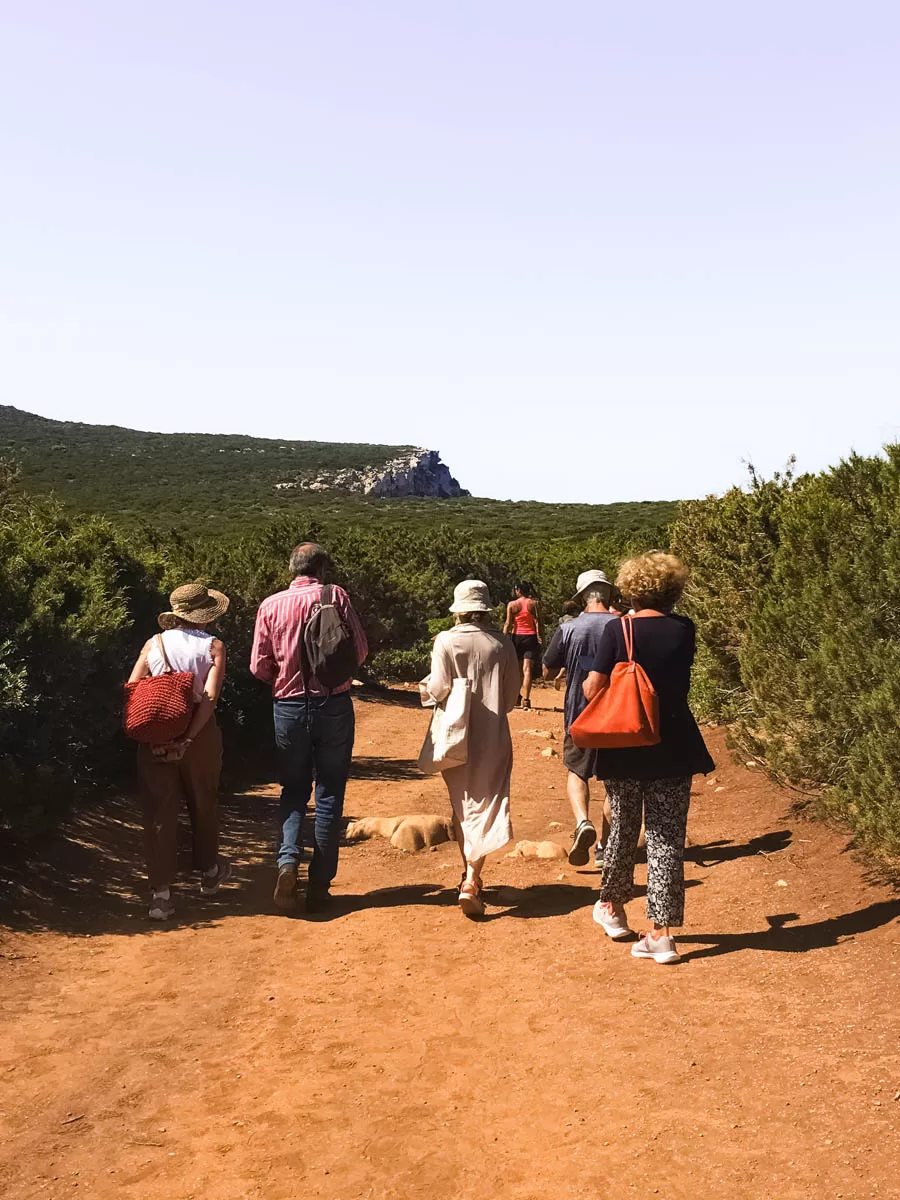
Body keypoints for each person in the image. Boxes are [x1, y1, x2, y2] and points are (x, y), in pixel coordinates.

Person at [583, 552, 714, 964]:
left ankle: (611, 907)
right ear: (673, 588)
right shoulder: (684, 629)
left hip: (625, 746)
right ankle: (661, 933)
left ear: (631, 587)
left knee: (622, 830)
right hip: (675, 745)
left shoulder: (616, 630)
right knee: (666, 839)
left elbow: (593, 689)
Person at [250, 542, 368, 914]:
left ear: (292, 569)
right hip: (333, 703)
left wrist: (283, 679)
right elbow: (359, 650)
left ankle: (287, 863)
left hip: (287, 707)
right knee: (330, 791)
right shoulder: (335, 596)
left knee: (293, 790)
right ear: (321, 568)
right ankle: (319, 885)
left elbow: (258, 665)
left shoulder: (270, 605)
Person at [127, 582, 232, 922]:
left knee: (159, 813)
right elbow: (211, 697)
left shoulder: (152, 644)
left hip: (155, 735)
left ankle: (160, 895)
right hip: (199, 736)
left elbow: (133, 689)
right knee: (203, 800)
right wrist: (187, 738)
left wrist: (155, 735)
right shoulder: (214, 647)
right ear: (206, 615)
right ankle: (209, 871)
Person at [425, 580, 520, 918]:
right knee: (486, 802)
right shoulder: (502, 643)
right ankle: (472, 879)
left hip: (455, 735)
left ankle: (469, 877)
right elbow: (511, 698)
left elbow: (438, 688)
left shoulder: (446, 641)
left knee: (462, 804)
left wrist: (425, 693)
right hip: (493, 733)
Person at [542, 571, 617, 866]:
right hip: (616, 717)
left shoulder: (569, 628)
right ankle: (605, 849)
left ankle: (583, 821)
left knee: (576, 771)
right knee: (614, 782)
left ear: (581, 597)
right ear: (608, 595)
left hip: (578, 713)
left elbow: (547, 670)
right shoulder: (622, 626)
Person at [503, 582, 543, 710]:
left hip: (517, 637)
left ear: (518, 590)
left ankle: (516, 697)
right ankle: (526, 699)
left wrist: (504, 639)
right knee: (527, 670)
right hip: (530, 637)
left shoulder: (512, 605)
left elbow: (508, 623)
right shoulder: (534, 604)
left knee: (518, 670)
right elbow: (539, 622)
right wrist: (540, 637)